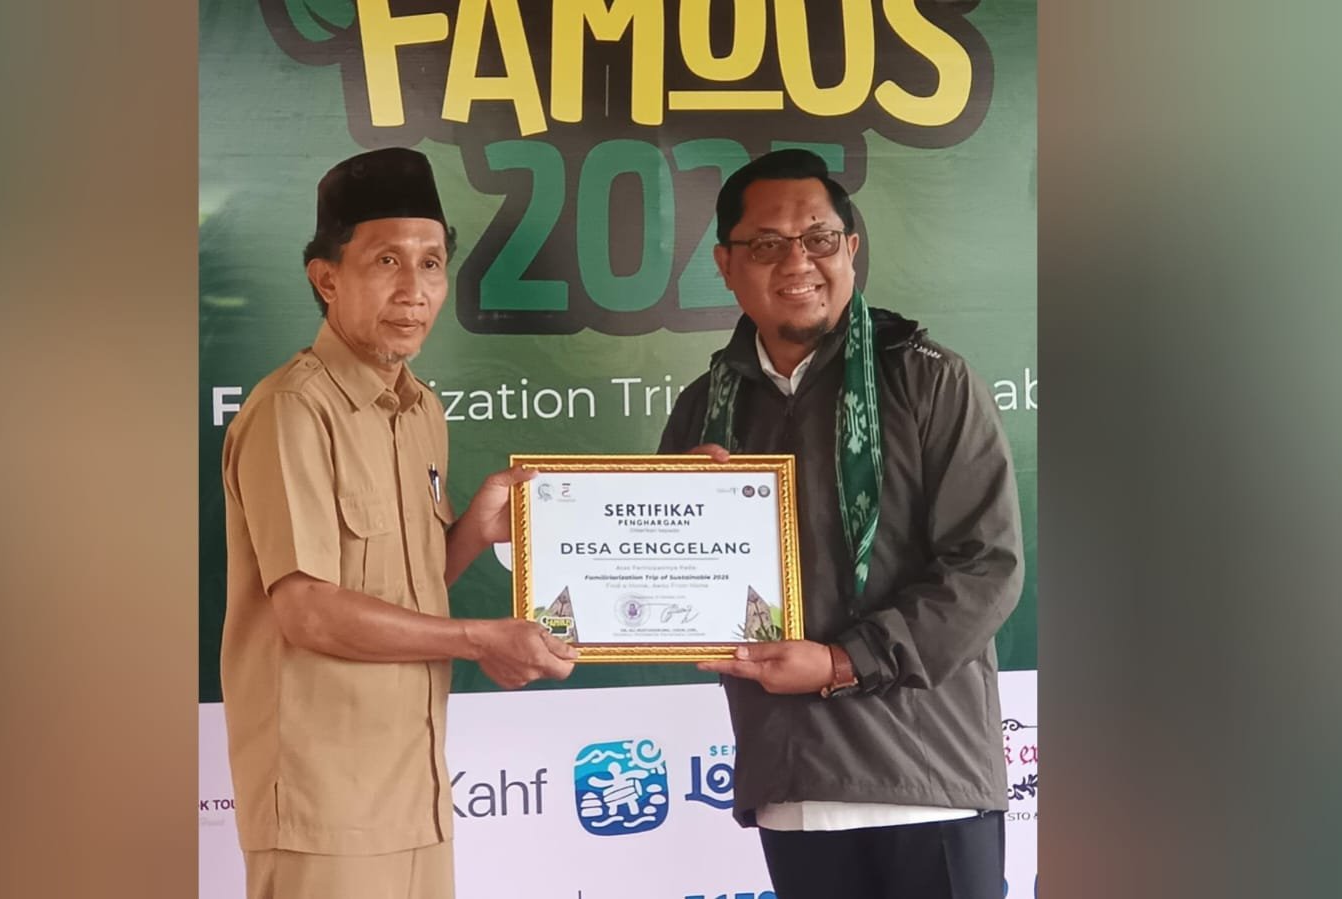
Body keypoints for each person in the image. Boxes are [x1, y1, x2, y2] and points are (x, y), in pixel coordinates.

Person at [657, 148, 1023, 899]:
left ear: (850, 249)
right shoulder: (703, 410)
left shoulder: (927, 380)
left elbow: (986, 569)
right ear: (726, 264)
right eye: (767, 244)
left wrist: (839, 662)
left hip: (927, 780)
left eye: (819, 238)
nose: (798, 262)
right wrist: (672, 519)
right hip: (792, 788)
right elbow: (669, 587)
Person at [220, 147, 577, 899]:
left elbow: (400, 587)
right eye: (386, 260)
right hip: (324, 804)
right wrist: (479, 639)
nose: (414, 290)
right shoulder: (293, 409)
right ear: (327, 279)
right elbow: (309, 610)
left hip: (415, 788)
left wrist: (473, 531)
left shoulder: (421, 411)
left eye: (432, 263)